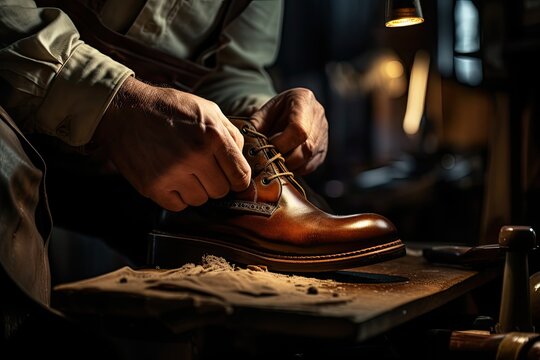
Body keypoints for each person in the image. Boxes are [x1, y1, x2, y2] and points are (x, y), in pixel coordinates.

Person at [1, 0, 404, 351]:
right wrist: (114, 103)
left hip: (141, 155)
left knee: (282, 250)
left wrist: (257, 120)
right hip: (12, 106)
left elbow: (233, 72)